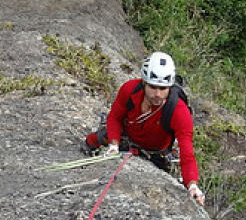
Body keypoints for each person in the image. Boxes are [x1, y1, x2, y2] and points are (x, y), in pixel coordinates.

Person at [85, 51, 206, 206]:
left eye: (163, 88)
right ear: (144, 83)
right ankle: (89, 146)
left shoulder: (179, 111)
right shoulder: (129, 90)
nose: (157, 94)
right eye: (153, 87)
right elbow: (115, 117)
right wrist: (114, 145)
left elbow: (187, 152)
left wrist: (193, 185)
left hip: (156, 152)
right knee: (98, 138)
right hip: (127, 136)